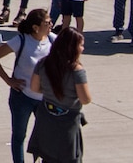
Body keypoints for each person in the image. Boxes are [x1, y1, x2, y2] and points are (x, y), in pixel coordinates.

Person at [0, 9, 55, 163]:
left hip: (44, 100)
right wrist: (8, 80)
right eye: (47, 22)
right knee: (19, 135)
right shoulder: (21, 41)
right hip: (21, 97)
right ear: (35, 27)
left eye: (50, 22)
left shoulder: (53, 40)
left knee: (45, 136)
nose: (50, 25)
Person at [27, 28, 90, 163]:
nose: (82, 49)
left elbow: (34, 87)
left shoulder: (43, 63)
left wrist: (50, 92)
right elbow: (85, 99)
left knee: (48, 157)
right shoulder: (76, 70)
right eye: (80, 45)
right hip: (67, 123)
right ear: (72, 47)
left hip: (46, 118)